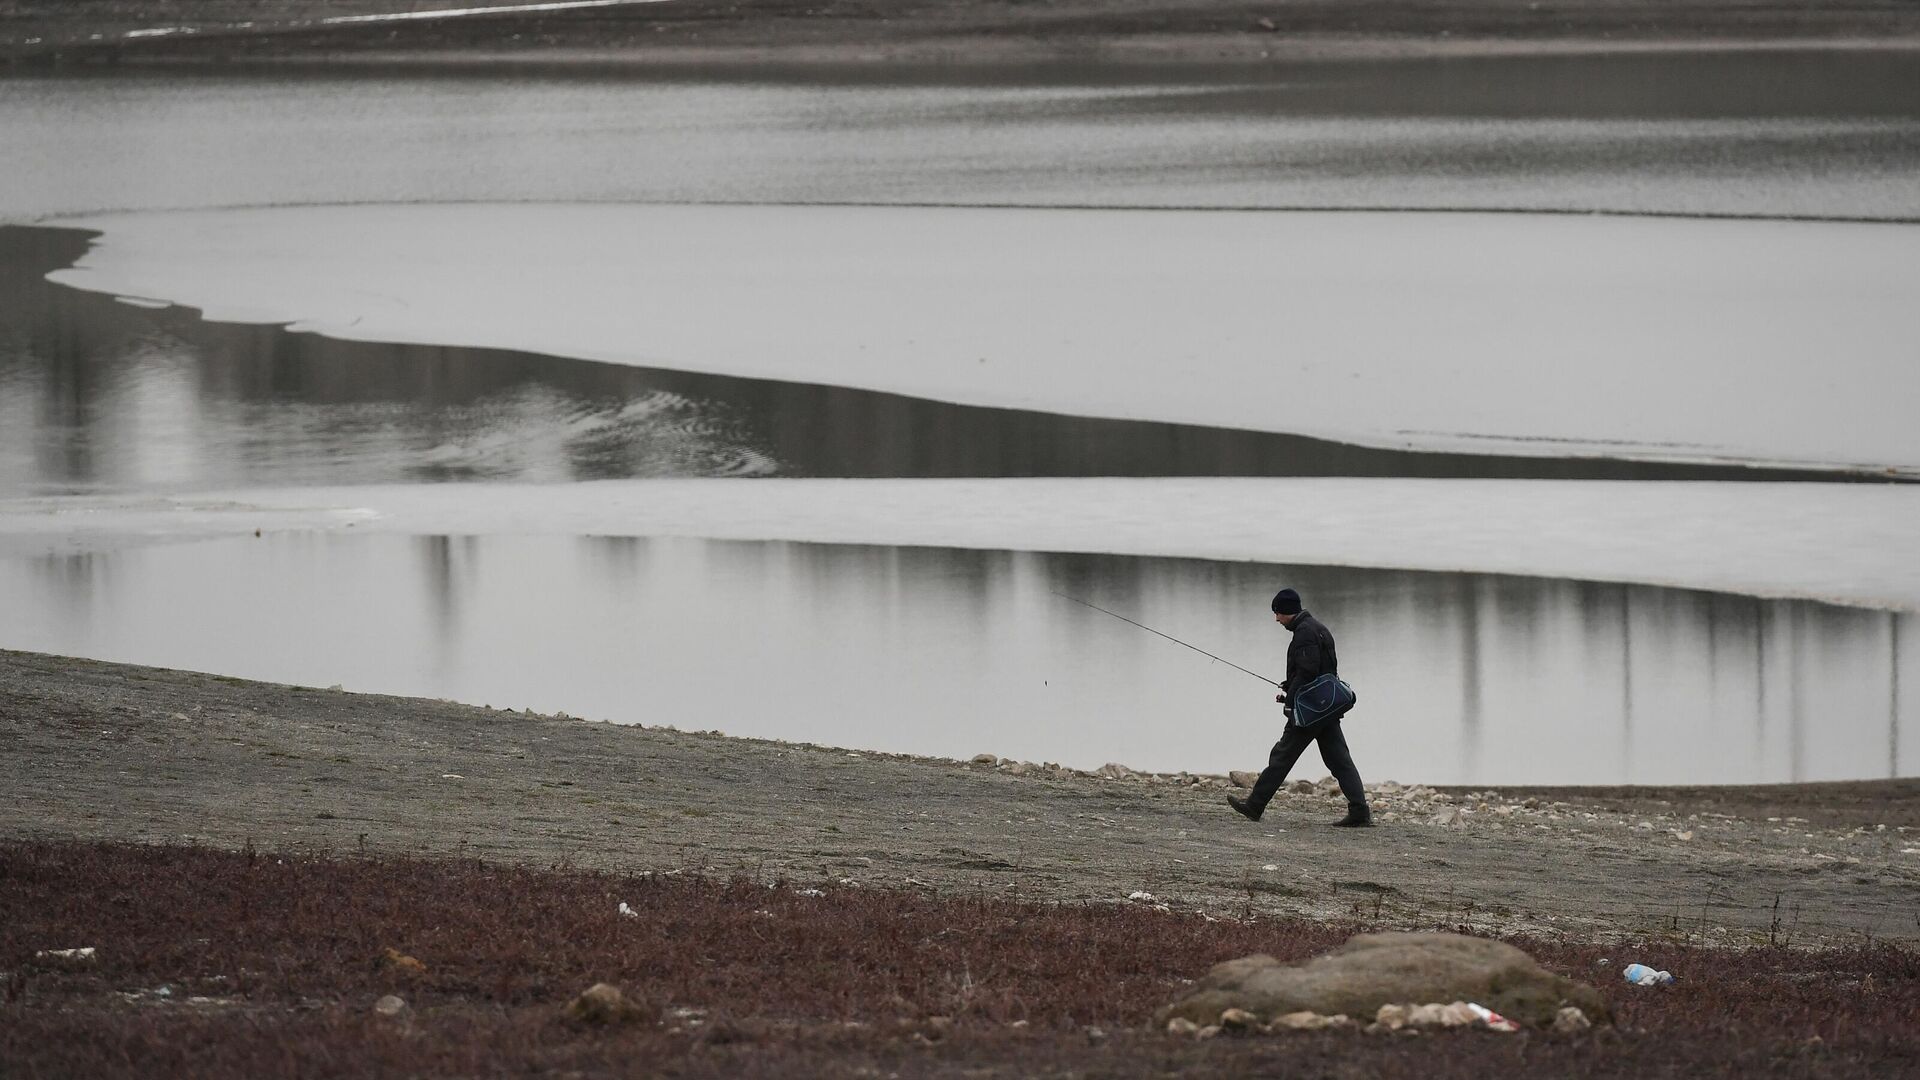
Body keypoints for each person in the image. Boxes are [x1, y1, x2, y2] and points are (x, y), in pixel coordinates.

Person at [1227, 588, 1372, 827]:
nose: (1276, 619)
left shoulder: (1304, 633)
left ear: (1287, 611)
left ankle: (1254, 805)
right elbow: (1320, 671)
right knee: (1340, 760)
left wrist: (1291, 703)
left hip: (1310, 712)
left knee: (1282, 755)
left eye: (1277, 614)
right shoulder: (1318, 628)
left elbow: (1307, 672)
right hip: (1325, 709)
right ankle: (1359, 811)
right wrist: (1290, 686)